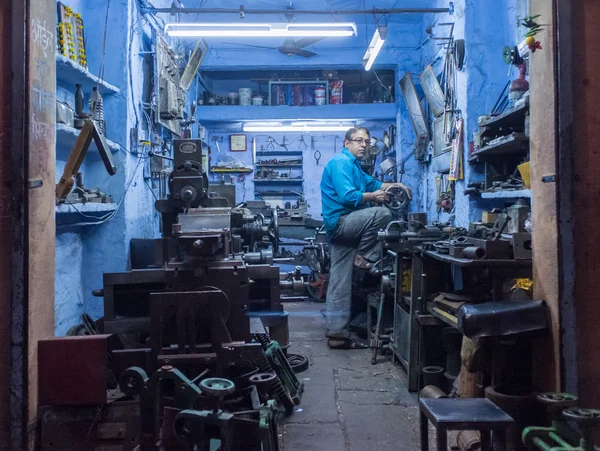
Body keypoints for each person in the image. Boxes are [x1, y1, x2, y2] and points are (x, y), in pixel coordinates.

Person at [320, 127, 412, 349]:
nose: (363, 145)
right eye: (359, 141)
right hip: (342, 223)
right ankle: (365, 256)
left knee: (339, 280)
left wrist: (395, 185)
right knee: (382, 213)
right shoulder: (341, 163)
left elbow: (373, 184)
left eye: (367, 142)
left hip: (343, 228)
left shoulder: (354, 166)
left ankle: (336, 333)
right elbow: (349, 196)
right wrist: (375, 197)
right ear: (346, 143)